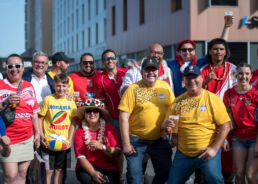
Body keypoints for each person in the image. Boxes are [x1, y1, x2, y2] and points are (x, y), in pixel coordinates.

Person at [166, 65, 231, 184]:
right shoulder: (177, 101)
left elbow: (225, 125)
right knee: (172, 182)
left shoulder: (212, 99)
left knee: (215, 179)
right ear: (184, 80)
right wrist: (174, 136)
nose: (191, 81)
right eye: (188, 78)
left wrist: (214, 149)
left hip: (207, 152)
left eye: (195, 77)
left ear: (201, 78)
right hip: (184, 153)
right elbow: (173, 121)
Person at [119, 58, 175, 184]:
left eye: (153, 70)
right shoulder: (133, 89)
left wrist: (171, 129)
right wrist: (126, 144)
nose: (151, 73)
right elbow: (123, 117)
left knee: (165, 173)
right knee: (135, 177)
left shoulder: (165, 87)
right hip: (136, 141)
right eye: (147, 70)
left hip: (160, 140)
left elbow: (173, 111)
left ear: (158, 71)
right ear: (141, 71)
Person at [0, 54, 40, 183]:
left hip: (27, 137)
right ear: (6, 69)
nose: (14, 69)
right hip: (7, 138)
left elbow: (34, 113)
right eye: (10, 66)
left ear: (23, 68)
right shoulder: (1, 85)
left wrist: (38, 132)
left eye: (17, 66)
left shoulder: (28, 86)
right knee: (10, 176)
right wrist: (6, 102)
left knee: (22, 174)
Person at [201, 38, 237, 183]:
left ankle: (228, 179)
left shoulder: (233, 69)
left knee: (228, 156)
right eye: (215, 49)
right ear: (209, 51)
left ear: (226, 51)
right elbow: (194, 95)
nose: (218, 52)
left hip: (227, 119)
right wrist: (205, 83)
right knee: (208, 153)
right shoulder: (203, 70)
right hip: (207, 120)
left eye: (221, 49)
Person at [38, 73, 77, 184]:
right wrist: (41, 136)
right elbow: (40, 118)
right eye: (58, 85)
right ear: (54, 86)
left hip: (64, 141)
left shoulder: (70, 101)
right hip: (48, 141)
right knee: (48, 170)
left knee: (60, 170)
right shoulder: (48, 100)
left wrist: (69, 139)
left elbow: (73, 122)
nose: (61, 88)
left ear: (68, 87)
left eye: (64, 86)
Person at [223, 63, 258, 184]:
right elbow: (225, 119)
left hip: (255, 139)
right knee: (238, 174)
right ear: (235, 75)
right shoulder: (229, 94)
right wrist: (225, 139)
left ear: (251, 75)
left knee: (250, 175)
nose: (243, 76)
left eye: (247, 73)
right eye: (240, 73)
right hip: (238, 138)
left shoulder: (256, 94)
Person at [74, 98, 121, 184]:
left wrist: (102, 147)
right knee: (89, 180)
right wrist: (93, 173)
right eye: (88, 111)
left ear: (100, 114)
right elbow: (81, 157)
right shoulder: (79, 132)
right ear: (84, 114)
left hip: (109, 167)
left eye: (95, 111)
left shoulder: (110, 129)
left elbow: (117, 152)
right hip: (88, 166)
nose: (92, 113)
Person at [95, 49, 128, 131]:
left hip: (132, 116)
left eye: (112, 58)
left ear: (116, 60)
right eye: (106, 59)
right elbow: (103, 103)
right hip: (116, 119)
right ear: (103, 62)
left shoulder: (127, 73)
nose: (110, 61)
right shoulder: (99, 80)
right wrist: (110, 120)